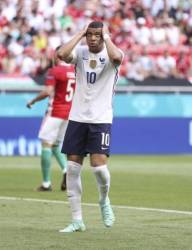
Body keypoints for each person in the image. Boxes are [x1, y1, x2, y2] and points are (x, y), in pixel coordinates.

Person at [57, 21, 124, 233]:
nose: (93, 38)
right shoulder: (80, 53)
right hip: (77, 118)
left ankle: (104, 201)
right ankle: (77, 220)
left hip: (101, 119)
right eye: (90, 35)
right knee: (72, 169)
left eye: (97, 35)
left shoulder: (113, 52)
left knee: (99, 169)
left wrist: (107, 36)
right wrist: (79, 33)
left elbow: (116, 58)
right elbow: (61, 54)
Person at [26, 46, 75, 191]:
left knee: (46, 144)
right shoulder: (75, 71)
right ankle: (66, 170)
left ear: (58, 55)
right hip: (69, 113)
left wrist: (33, 101)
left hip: (55, 112)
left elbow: (48, 91)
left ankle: (46, 183)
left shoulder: (55, 71)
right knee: (55, 145)